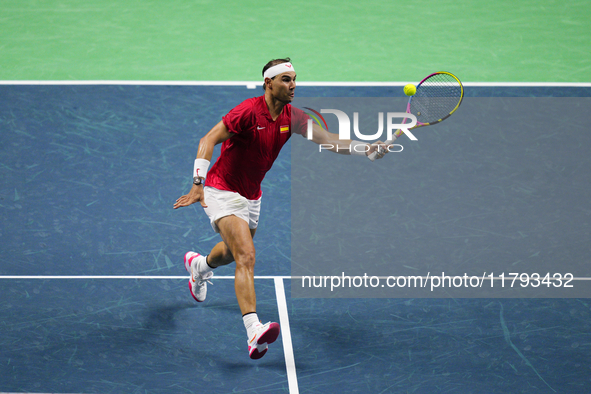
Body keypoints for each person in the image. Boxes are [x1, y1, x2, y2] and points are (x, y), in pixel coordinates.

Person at [173, 58, 389, 359]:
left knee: (233, 251)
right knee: (246, 255)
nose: (293, 85)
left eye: (295, 79)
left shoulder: (293, 116)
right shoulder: (247, 112)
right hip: (221, 189)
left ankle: (200, 266)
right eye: (286, 79)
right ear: (268, 83)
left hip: (251, 195)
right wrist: (198, 183)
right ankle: (253, 331)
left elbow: (326, 139)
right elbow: (208, 139)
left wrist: (364, 148)